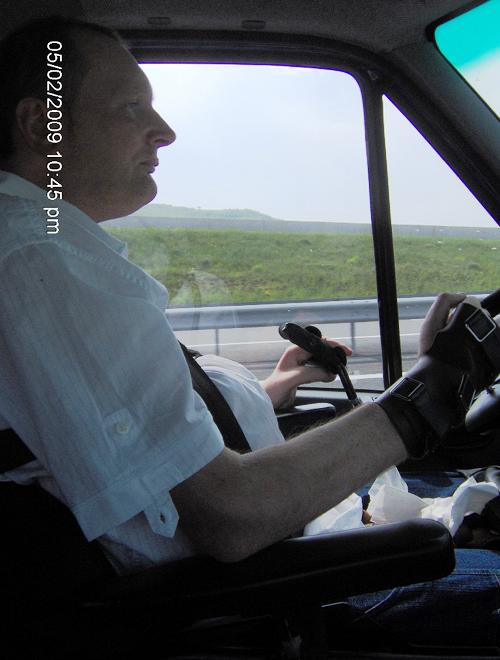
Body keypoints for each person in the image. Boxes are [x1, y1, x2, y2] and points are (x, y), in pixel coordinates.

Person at [0, 16, 498, 650]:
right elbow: (231, 517)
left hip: (293, 532)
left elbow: (130, 436)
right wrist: (440, 384)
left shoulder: (44, 250)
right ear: (41, 125)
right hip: (269, 588)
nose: (165, 131)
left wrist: (273, 387)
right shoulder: (39, 260)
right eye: (132, 108)